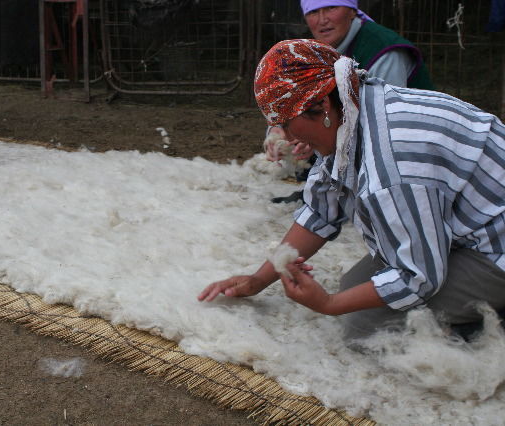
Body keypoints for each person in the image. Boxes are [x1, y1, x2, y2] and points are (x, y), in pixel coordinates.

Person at [199, 39, 505, 341]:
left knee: (365, 327)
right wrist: (257, 280)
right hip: (463, 223)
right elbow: (322, 210)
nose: (290, 138)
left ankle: (488, 329)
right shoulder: (357, 104)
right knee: (355, 287)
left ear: (321, 104)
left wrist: (328, 305)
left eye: (288, 124)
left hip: (495, 245)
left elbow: (418, 277)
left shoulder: (388, 165)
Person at [266, 0, 434, 203]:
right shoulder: (313, 50)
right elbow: (296, 100)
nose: (322, 20)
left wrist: (317, 135)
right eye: (313, 12)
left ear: (352, 11)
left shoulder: (384, 51)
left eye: (331, 8)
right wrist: (279, 130)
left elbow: (384, 124)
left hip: (407, 144)